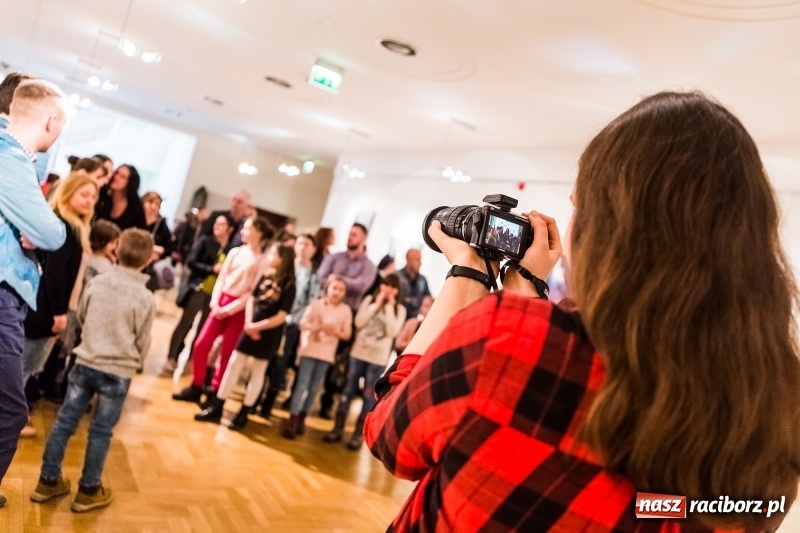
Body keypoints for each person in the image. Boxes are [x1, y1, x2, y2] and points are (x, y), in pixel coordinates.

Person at [364, 91, 800, 532]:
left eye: (579, 206)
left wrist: (467, 275)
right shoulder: (777, 402)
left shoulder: (504, 338)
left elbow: (388, 434)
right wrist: (526, 295)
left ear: (612, 227)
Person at [30, 228, 155, 513]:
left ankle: (47, 482)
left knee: (64, 423)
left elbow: (83, 317)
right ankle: (88, 490)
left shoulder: (97, 284)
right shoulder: (145, 297)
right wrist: (134, 360)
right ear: (148, 260)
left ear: (117, 250)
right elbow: (143, 340)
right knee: (100, 431)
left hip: (86, 362)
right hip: (117, 370)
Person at [0, 79, 68, 508]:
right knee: (10, 412)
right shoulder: (9, 157)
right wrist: (46, 229)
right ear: (51, 120)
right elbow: (50, 231)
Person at [20, 172, 97, 437]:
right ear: (68, 194)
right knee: (24, 367)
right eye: (83, 195)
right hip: (43, 309)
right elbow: (55, 273)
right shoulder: (65, 226)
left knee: (26, 366)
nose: (89, 201)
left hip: (42, 307)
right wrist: (59, 312)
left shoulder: (70, 225)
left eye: (93, 196)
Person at [194, 243, 296, 430]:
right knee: (234, 365)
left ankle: (244, 412)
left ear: (283, 258)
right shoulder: (266, 274)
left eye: (273, 253)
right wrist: (249, 323)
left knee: (257, 371)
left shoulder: (289, 284)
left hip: (268, 333)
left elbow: (282, 315)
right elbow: (252, 298)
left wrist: (258, 326)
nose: (270, 256)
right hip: (250, 327)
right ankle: (218, 404)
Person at [172, 217, 272, 403]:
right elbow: (222, 278)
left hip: (238, 309)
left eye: (248, 228)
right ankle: (197, 384)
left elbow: (253, 291)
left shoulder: (262, 260)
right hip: (221, 303)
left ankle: (215, 391)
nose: (242, 231)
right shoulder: (235, 252)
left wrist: (230, 309)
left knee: (226, 353)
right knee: (201, 345)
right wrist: (216, 303)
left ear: (259, 232)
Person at [325, 273, 405, 449]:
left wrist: (390, 307)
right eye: (385, 285)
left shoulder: (400, 309)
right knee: (348, 390)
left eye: (392, 287)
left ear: (398, 291)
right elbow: (359, 322)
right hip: (358, 354)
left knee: (369, 395)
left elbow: (392, 332)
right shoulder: (369, 300)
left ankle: (357, 434)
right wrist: (376, 304)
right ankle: (337, 428)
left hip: (377, 359)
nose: (388, 290)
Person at [315, 223, 377, 418]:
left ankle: (327, 402)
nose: (350, 237)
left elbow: (361, 286)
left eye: (354, 235)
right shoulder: (334, 257)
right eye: (349, 233)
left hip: (348, 317)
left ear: (363, 239)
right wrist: (340, 281)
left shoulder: (368, 266)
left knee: (338, 365)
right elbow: (321, 277)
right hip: (324, 312)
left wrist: (336, 279)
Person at [161, 214, 234, 377]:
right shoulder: (205, 241)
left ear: (230, 229)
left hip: (215, 295)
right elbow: (192, 262)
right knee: (185, 323)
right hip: (198, 288)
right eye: (216, 223)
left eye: (222, 224)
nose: (217, 226)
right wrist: (211, 269)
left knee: (203, 330)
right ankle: (171, 357)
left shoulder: (231, 250)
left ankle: (192, 360)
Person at [283, 275, 351, 439]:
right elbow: (303, 324)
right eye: (334, 288)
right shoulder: (315, 305)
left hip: (327, 354)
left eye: (341, 289)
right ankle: (292, 417)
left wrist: (335, 332)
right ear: (327, 288)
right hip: (310, 350)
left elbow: (347, 334)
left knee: (314, 388)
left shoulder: (345, 310)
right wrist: (318, 327)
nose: (337, 292)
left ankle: (302, 417)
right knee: (302, 384)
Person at [262, 232, 318, 417]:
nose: (302, 247)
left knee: (281, 362)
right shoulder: (286, 268)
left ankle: (268, 405)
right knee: (265, 359)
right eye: (300, 243)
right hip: (276, 318)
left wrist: (299, 321)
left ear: (314, 249)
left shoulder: (314, 275)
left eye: (307, 244)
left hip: (294, 325)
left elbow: (311, 302)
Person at [94, 164, 146, 231]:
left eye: (122, 177)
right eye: (116, 173)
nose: (116, 177)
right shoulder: (102, 196)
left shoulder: (135, 206)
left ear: (130, 183)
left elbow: (142, 233)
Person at [141, 191, 173, 291]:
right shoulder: (136, 218)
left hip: (149, 267)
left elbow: (170, 248)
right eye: (150, 202)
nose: (154, 207)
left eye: (157, 204)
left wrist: (157, 249)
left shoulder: (162, 225)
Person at [396, 248, 431, 319]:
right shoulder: (397, 277)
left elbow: (428, 299)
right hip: (398, 318)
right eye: (417, 260)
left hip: (414, 320)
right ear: (408, 260)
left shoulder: (423, 280)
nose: (420, 263)